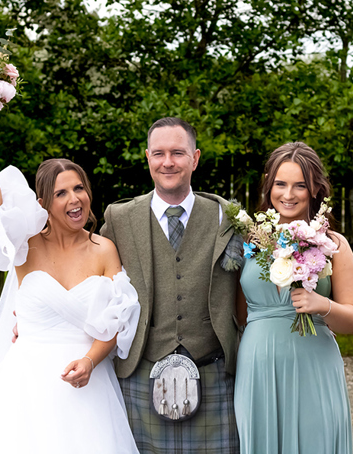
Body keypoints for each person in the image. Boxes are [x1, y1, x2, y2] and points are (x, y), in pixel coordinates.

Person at [0, 129, 141, 454]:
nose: (74, 199)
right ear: (43, 204)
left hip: (87, 386)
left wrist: (90, 362)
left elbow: (117, 322)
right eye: (61, 193)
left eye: (79, 188)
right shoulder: (26, 246)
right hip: (26, 386)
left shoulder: (104, 250)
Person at [99, 117, 242, 454]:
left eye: (178, 153)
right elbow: (90, 276)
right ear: (147, 157)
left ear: (195, 158)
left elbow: (257, 281)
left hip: (213, 370)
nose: (168, 162)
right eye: (159, 153)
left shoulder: (229, 218)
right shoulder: (119, 219)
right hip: (141, 370)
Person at [234, 141, 353, 453]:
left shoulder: (333, 244)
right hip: (258, 366)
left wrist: (323, 305)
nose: (288, 195)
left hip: (314, 365)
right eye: (280, 184)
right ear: (269, 184)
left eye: (299, 186)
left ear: (315, 189)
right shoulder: (250, 240)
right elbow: (240, 315)